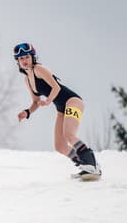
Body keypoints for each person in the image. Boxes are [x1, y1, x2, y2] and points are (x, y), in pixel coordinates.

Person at [13, 42, 101, 177]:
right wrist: (27, 112)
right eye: (21, 59)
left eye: (26, 57)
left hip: (73, 101)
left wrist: (48, 101)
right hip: (61, 108)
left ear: (32, 57)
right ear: (17, 61)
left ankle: (91, 163)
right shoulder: (27, 79)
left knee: (69, 134)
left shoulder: (39, 69)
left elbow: (56, 88)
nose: (24, 61)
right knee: (60, 146)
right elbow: (36, 101)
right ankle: (84, 164)